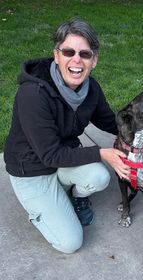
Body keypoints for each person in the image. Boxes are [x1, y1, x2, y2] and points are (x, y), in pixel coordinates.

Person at [4, 18, 130, 254]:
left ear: (94, 60)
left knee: (99, 177)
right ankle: (40, 210)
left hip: (63, 160)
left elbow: (109, 121)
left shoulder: (90, 88)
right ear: (57, 55)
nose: (76, 60)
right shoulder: (33, 94)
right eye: (69, 51)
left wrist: (142, 132)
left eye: (85, 54)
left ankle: (73, 196)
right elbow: (50, 155)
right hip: (32, 171)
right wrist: (102, 153)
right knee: (70, 243)